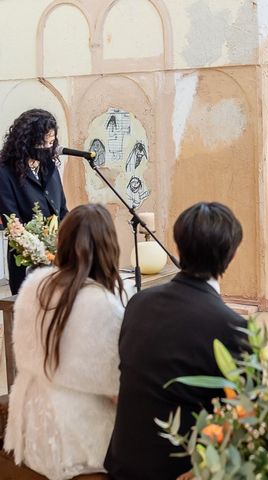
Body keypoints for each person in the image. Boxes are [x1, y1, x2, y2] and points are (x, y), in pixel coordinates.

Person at [105, 202, 249, 480]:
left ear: (178, 247)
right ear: (231, 255)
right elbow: (248, 417)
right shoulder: (232, 327)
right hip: (182, 471)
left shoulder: (138, 303)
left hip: (123, 464)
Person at [3, 204, 125, 479]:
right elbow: (115, 387)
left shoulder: (35, 283)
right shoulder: (102, 303)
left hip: (30, 425)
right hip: (77, 439)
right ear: (109, 246)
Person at [0, 108, 68, 294]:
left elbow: (62, 209)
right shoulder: (5, 172)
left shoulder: (49, 166)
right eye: (41, 143)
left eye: (51, 142)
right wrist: (41, 251)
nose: (47, 148)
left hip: (59, 260)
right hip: (27, 263)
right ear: (26, 141)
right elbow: (12, 223)